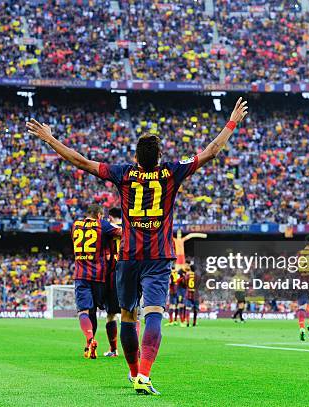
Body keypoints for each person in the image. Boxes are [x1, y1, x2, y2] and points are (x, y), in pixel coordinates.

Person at [27, 97, 249, 395]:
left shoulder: (124, 174)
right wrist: (231, 122)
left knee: (129, 316)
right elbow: (212, 151)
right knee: (154, 312)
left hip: (129, 256)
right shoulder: (172, 172)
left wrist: (50, 138)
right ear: (159, 156)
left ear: (135, 157)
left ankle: (134, 373)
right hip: (159, 256)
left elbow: (80, 160)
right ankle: (144, 375)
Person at [71, 204, 121, 359]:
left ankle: (90, 340)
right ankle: (109, 347)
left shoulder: (75, 225)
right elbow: (120, 233)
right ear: (99, 215)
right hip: (99, 277)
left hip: (81, 275)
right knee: (110, 313)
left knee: (84, 311)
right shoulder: (102, 225)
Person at [104, 208, 123, 357]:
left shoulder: (106, 231)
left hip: (113, 274)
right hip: (131, 272)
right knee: (132, 313)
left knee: (111, 314)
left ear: (110, 217)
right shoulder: (131, 229)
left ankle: (113, 349)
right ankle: (135, 350)